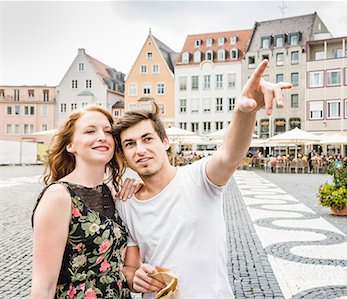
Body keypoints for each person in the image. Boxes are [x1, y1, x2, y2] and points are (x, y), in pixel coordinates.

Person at [114, 59, 292, 298]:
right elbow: (130, 267)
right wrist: (135, 279)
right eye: (130, 144)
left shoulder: (199, 178)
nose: (140, 149)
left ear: (165, 142)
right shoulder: (126, 203)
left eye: (147, 139)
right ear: (124, 156)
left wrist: (244, 112)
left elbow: (230, 154)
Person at [30, 106, 133, 299]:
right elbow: (43, 287)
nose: (102, 136)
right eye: (90, 131)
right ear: (71, 145)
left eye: (108, 131)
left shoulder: (109, 193)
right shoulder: (59, 196)